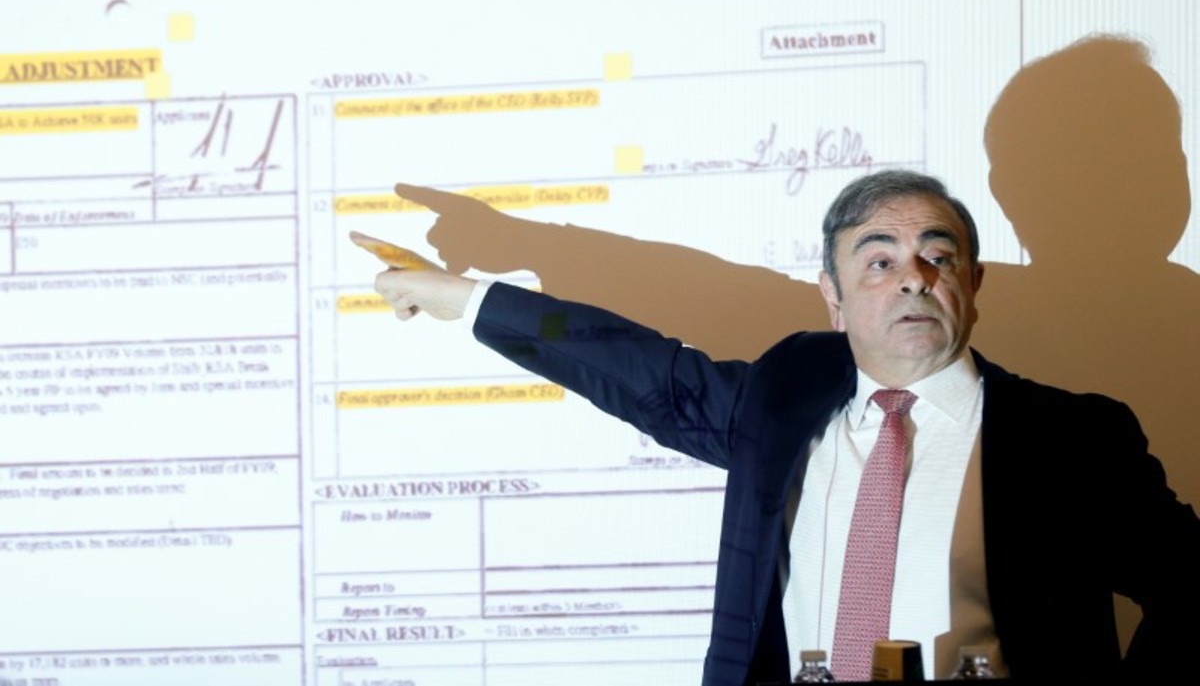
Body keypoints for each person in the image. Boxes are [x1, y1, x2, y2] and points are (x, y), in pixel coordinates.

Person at [370, 170, 1200, 685]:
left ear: (973, 284)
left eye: (937, 255)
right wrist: (467, 298)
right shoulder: (779, 400)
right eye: (879, 260)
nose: (913, 277)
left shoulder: (1075, 439)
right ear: (832, 298)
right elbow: (632, 362)